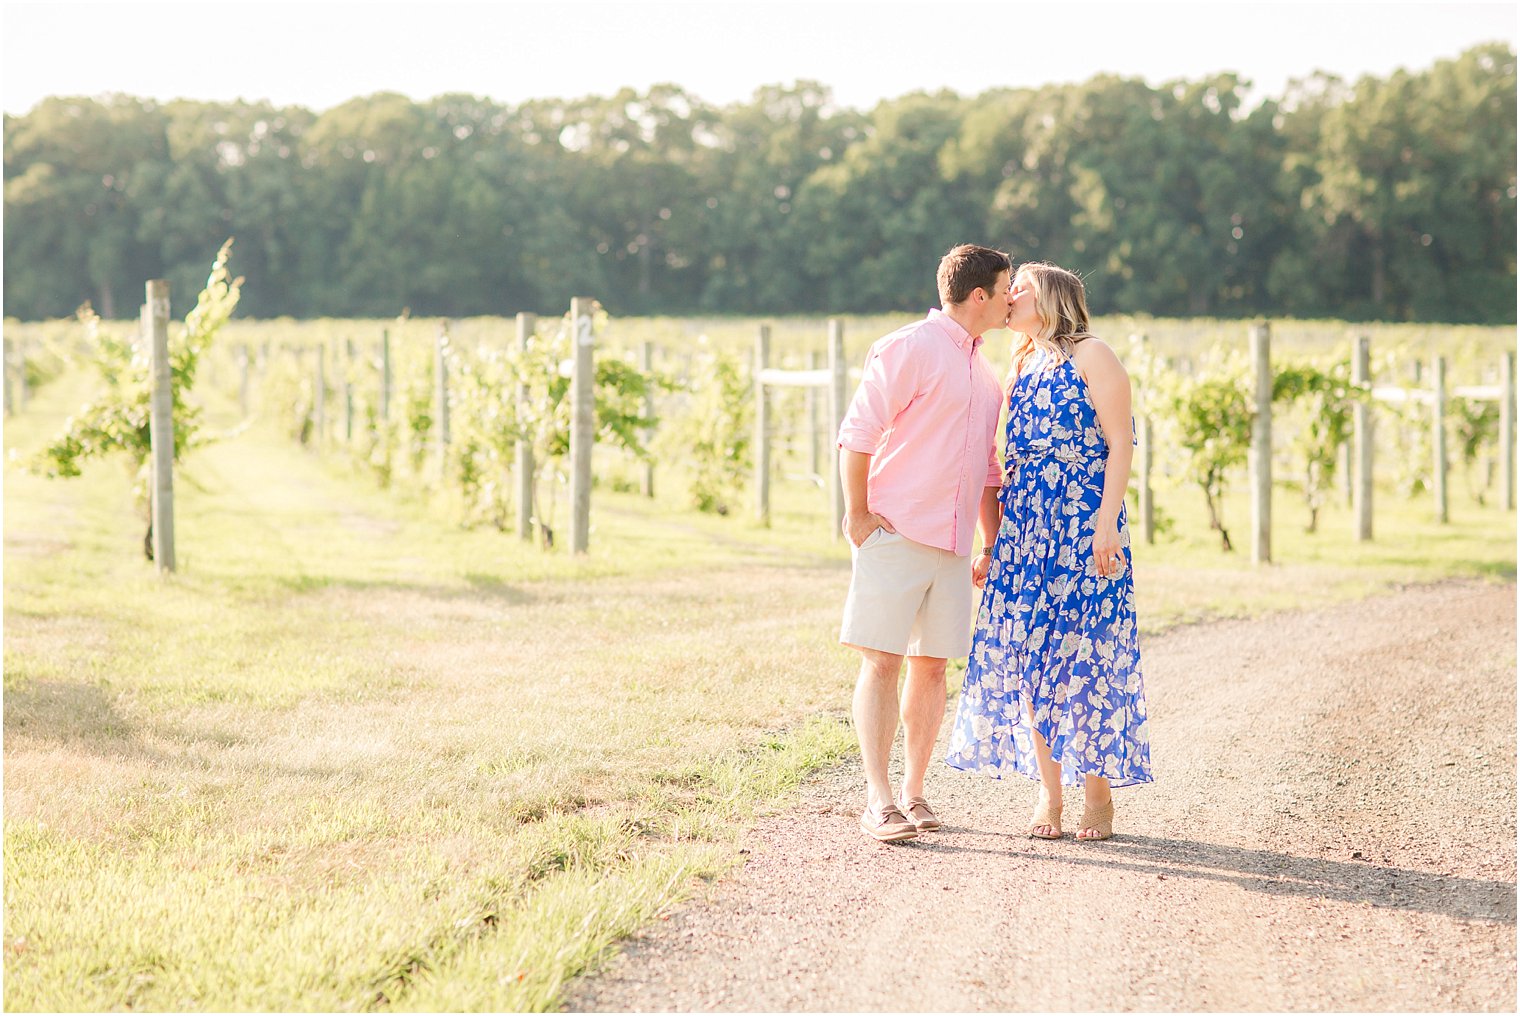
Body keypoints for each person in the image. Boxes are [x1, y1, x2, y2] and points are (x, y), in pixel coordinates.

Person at [945, 261, 1153, 841]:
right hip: (1026, 530)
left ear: (1054, 299)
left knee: (1083, 660)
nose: (1009, 296)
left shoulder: (1094, 355)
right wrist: (996, 542)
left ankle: (1097, 794)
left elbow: (1120, 445)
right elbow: (1006, 463)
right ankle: (1049, 793)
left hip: (1083, 527)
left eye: (1022, 289)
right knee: (1031, 662)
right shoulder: (1022, 365)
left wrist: (1107, 522)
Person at [837, 243, 1012, 843]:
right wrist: (856, 515)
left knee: (932, 668)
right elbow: (858, 432)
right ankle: (877, 800)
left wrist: (987, 542)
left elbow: (989, 470)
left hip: (954, 544)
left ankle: (914, 792)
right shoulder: (909, 347)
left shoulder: (986, 374)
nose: (1013, 299)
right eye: (1006, 287)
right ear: (980, 295)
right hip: (897, 529)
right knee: (882, 660)